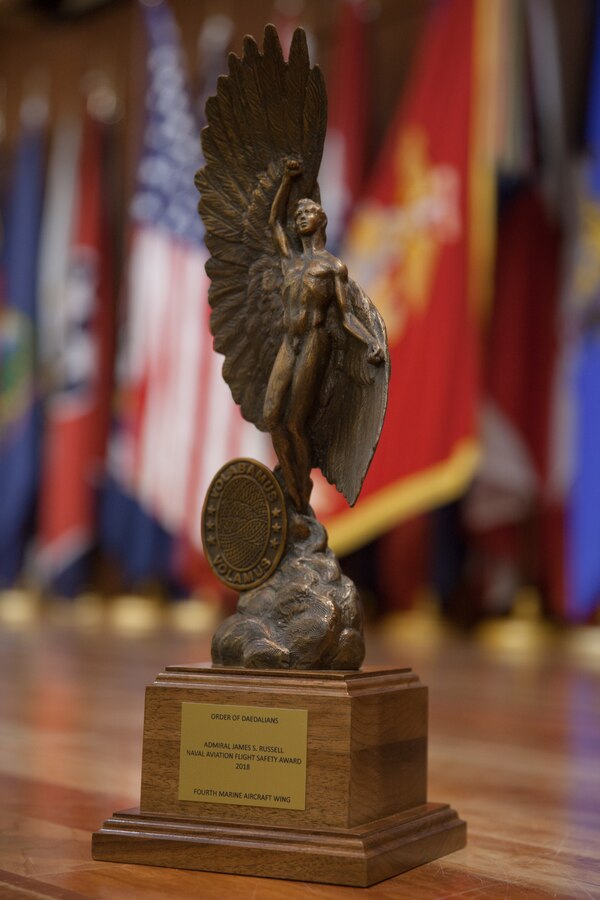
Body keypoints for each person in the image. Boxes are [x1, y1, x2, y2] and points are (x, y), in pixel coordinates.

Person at [263, 158, 384, 513]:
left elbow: (345, 316)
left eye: (308, 212)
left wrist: (370, 341)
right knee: (272, 417)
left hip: (315, 341)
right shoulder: (290, 261)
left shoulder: (332, 268)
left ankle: (301, 497)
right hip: (290, 341)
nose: (300, 217)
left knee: (295, 422)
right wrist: (286, 182)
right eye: (297, 213)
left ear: (321, 220)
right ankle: (291, 482)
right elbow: (274, 224)